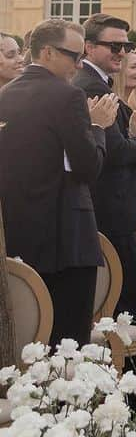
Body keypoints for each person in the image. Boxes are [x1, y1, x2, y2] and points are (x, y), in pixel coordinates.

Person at [0, 18, 112, 345]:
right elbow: (89, 168)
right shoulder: (68, 96)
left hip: (19, 235)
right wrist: (98, 127)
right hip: (67, 239)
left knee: (28, 343)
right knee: (68, 345)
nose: (79, 65)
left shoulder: (5, 94)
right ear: (47, 52)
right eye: (73, 56)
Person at [74, 13, 136, 320]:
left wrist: (135, 133)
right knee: (121, 305)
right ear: (88, 48)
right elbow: (114, 152)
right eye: (113, 46)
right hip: (111, 207)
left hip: (117, 205)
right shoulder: (92, 86)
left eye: (125, 45)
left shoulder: (100, 83)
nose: (122, 52)